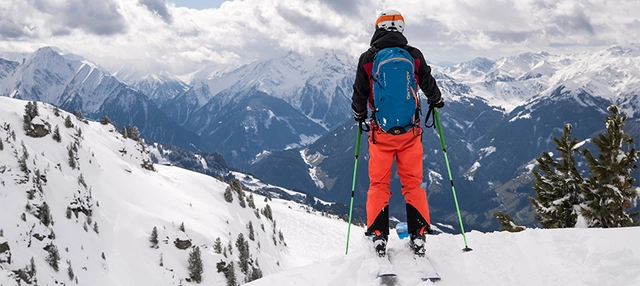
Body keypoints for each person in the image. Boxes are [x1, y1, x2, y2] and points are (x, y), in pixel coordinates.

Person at [351, 9, 444, 257]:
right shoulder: (413, 55)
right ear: (401, 29)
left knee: (379, 183)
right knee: (412, 183)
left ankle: (379, 235)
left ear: (377, 28)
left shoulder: (368, 58)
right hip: (410, 133)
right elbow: (428, 84)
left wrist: (359, 115)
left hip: (380, 133)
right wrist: (436, 101)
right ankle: (419, 234)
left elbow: (359, 94)